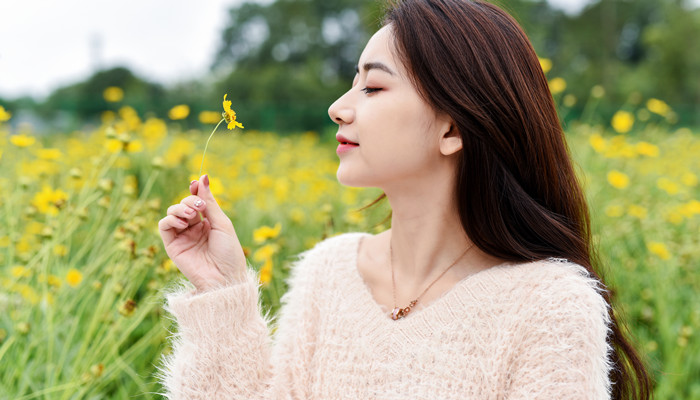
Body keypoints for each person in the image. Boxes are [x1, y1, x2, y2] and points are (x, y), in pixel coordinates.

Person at [157, 0, 652, 399]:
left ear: (452, 128)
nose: (337, 108)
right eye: (353, 83)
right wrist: (220, 288)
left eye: (372, 86)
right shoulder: (329, 273)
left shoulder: (549, 306)